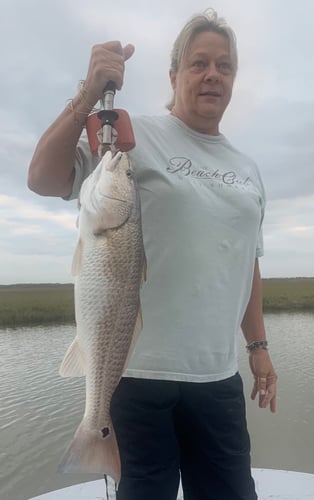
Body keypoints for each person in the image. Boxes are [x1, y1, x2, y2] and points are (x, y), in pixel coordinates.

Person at [28, 8, 277, 500]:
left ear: (233, 79)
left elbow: (246, 262)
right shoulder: (128, 141)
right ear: (174, 75)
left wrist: (259, 349)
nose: (212, 75)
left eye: (224, 66)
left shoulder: (248, 169)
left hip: (218, 376)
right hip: (136, 376)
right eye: (199, 63)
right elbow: (43, 178)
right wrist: (85, 94)